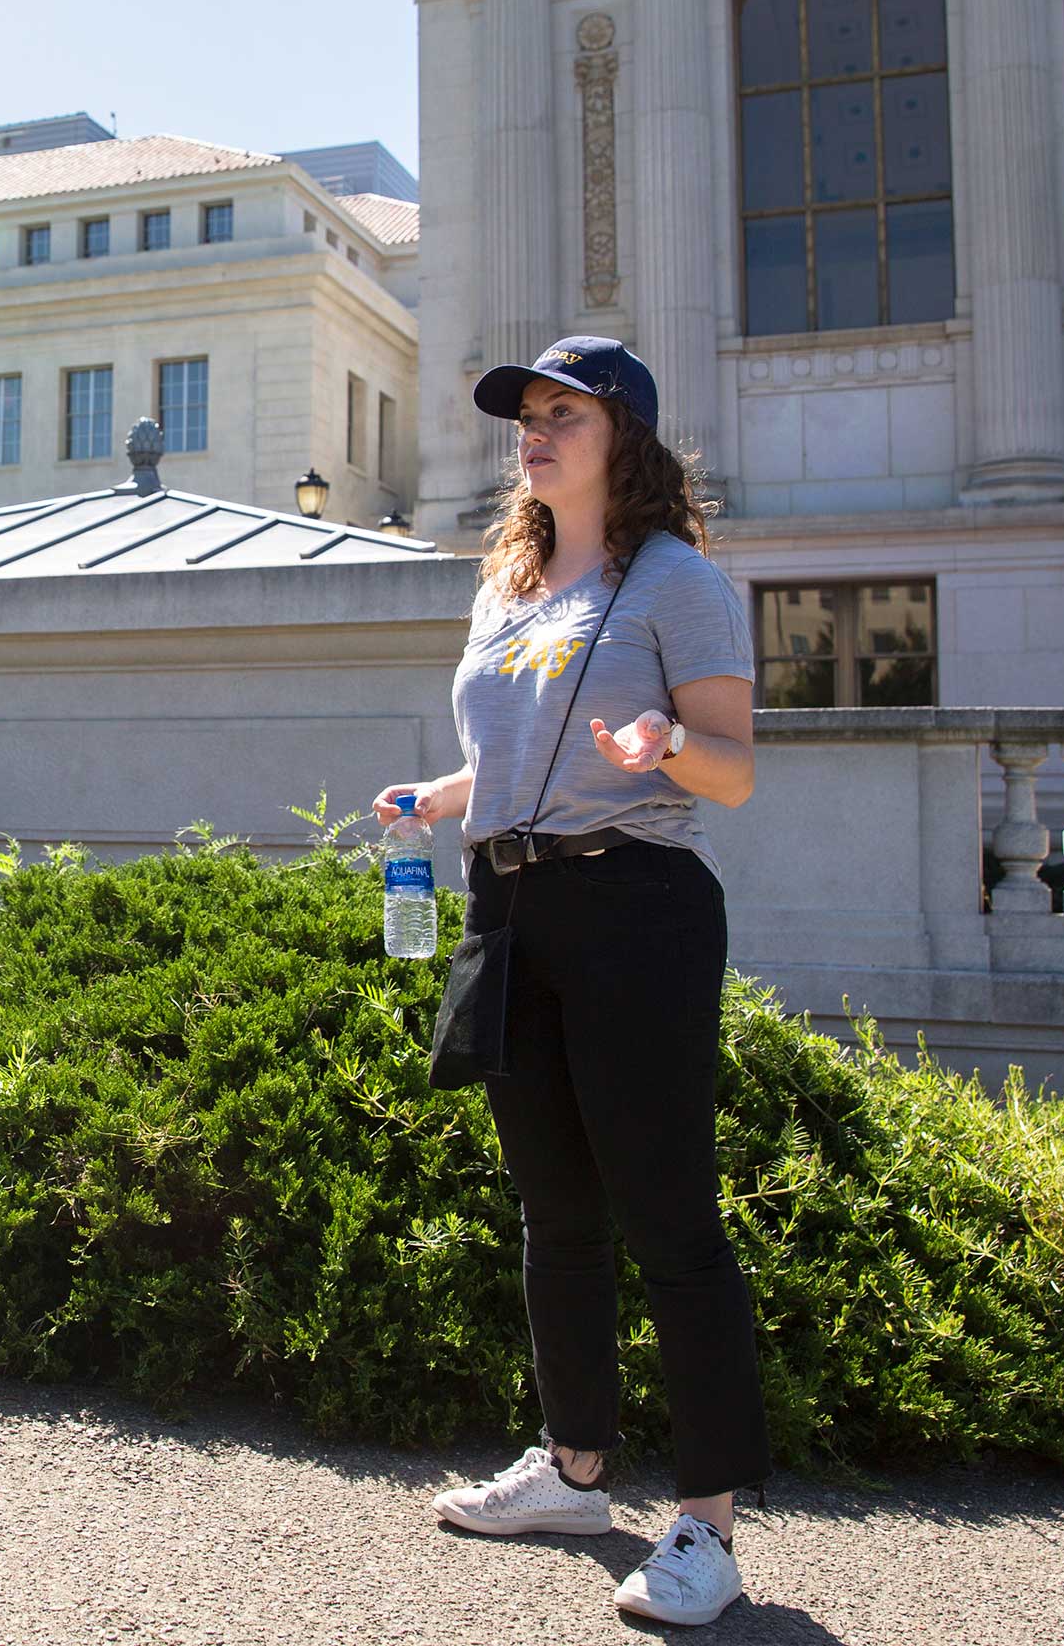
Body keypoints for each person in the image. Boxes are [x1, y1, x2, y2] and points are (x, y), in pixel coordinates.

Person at [373, 336, 769, 1631]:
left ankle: (706, 1524)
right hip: (514, 906)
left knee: (668, 1216)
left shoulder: (678, 583)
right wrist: (436, 800)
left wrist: (669, 741)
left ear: (627, 441)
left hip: (636, 908)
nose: (533, 435)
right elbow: (513, 761)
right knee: (555, 1207)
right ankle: (577, 1467)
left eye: (563, 415)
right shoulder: (513, 587)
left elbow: (735, 770)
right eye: (526, 417)